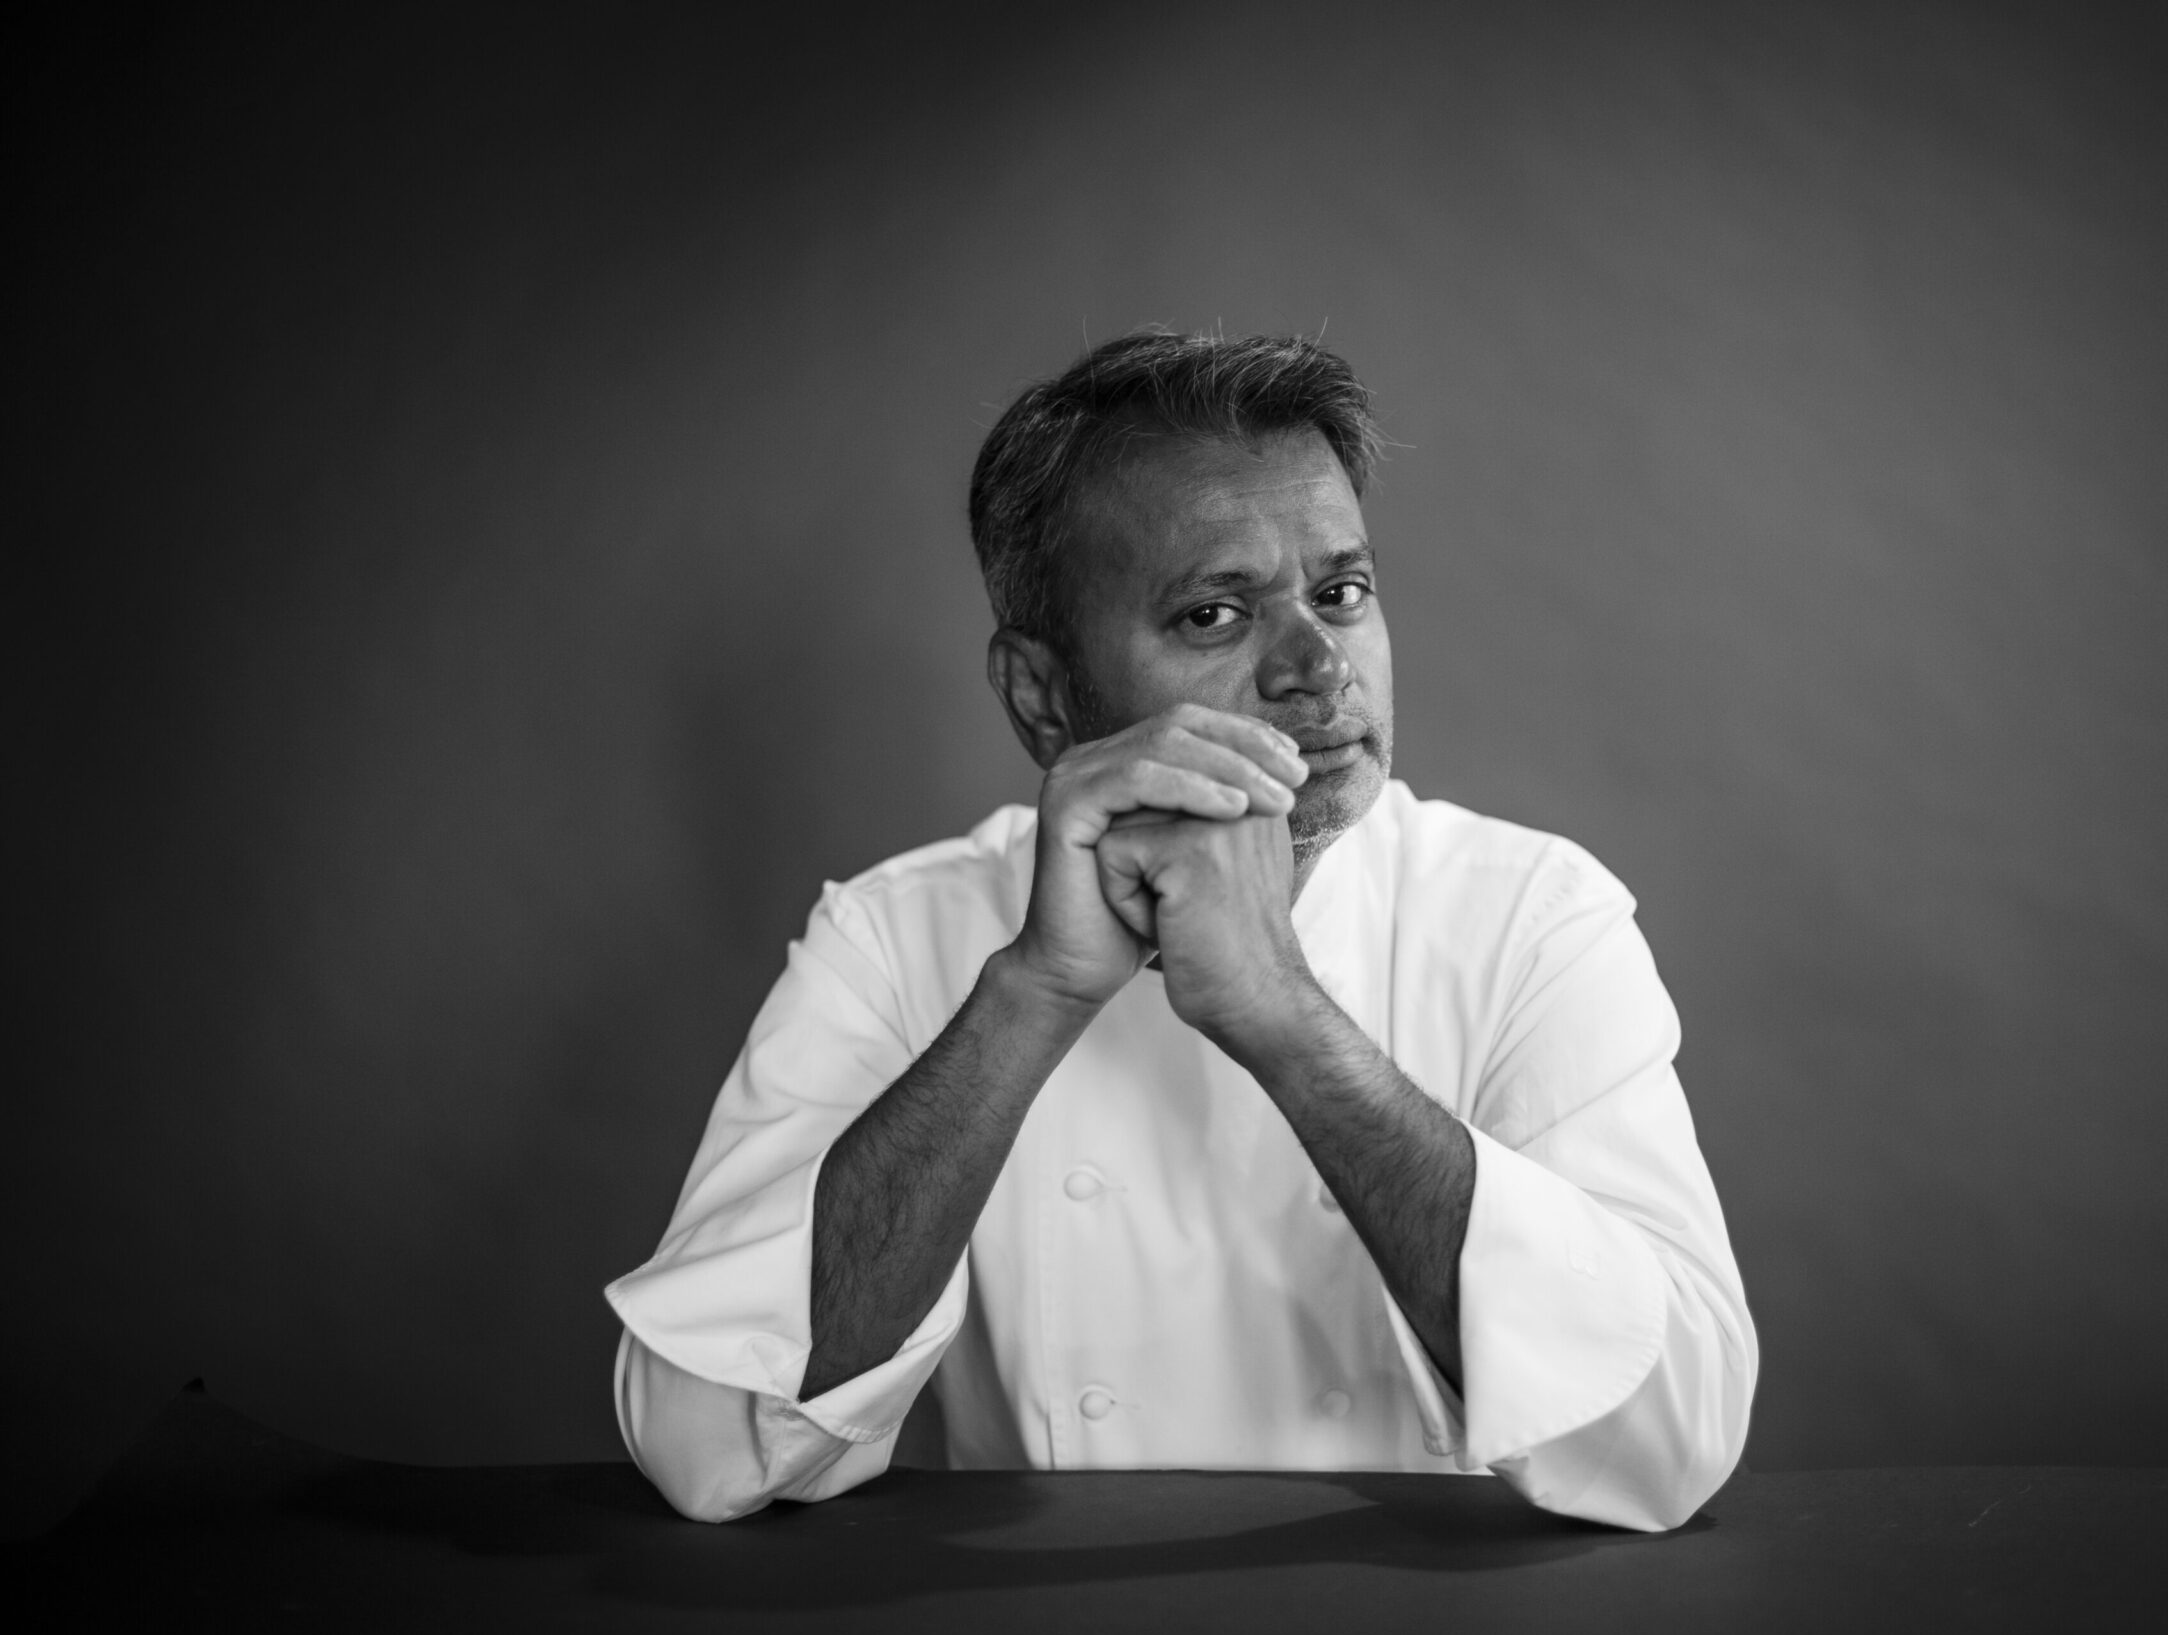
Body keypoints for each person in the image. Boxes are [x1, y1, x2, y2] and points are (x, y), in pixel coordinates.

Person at [605, 331, 1757, 1531]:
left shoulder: (1530, 917)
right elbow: (702, 1445)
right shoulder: (897, 935)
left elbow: (1669, 1442)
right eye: (1214, 614)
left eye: (1342, 592)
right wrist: (1035, 994)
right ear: (1042, 698)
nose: (1317, 671)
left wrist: (1286, 1022)